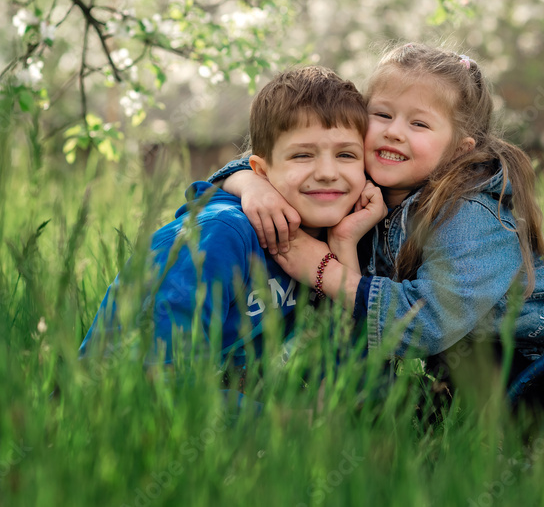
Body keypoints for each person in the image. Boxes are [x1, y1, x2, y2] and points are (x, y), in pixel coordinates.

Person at [213, 44, 544, 427]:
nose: (395, 131)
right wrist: (248, 182)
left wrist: (324, 269)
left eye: (419, 125)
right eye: (382, 115)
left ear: (460, 147)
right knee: (514, 429)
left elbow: (426, 323)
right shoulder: (355, 178)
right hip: (479, 361)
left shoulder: (466, 212)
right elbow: (289, 149)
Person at [78, 66, 385, 371]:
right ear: (261, 170)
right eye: (303, 155)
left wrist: (345, 247)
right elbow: (159, 375)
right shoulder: (221, 234)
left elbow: (348, 385)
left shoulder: (334, 235)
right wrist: (281, 419)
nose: (328, 173)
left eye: (346, 155)